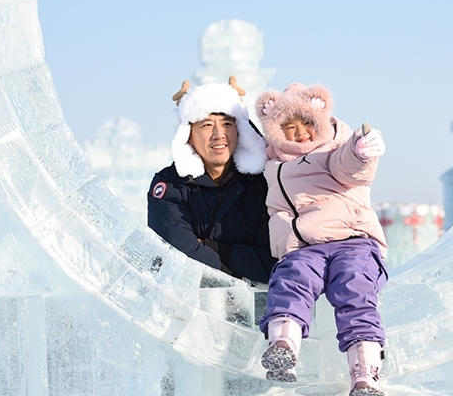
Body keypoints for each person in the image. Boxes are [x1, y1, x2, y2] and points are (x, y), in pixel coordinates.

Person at [253, 82, 389, 396]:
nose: (301, 133)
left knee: (355, 288)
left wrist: (362, 149)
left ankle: (365, 373)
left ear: (321, 122)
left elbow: (351, 167)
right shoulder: (272, 162)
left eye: (308, 124)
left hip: (350, 238)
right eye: (289, 127)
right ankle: (283, 345)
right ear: (275, 130)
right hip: (304, 245)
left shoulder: (334, 146)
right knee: (291, 279)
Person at [147, 78, 277, 284]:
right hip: (182, 306)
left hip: (253, 308)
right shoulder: (169, 185)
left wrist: (209, 246)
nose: (219, 135)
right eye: (207, 125)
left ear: (240, 130)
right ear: (188, 135)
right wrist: (240, 269)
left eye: (227, 124)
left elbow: (273, 264)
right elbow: (179, 254)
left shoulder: (263, 183)